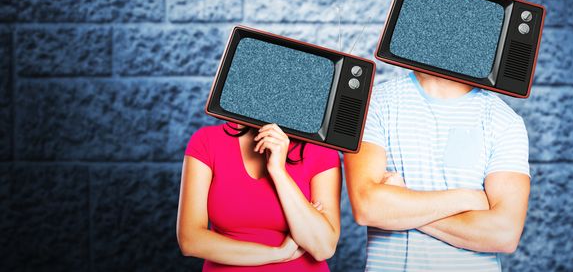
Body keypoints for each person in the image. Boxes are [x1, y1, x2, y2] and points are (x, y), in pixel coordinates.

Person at [344, 70, 531, 271]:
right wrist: (466, 199)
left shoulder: (505, 121)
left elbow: (504, 234)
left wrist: (403, 204)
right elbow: (367, 207)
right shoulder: (373, 104)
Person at [177, 121, 341, 271]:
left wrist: (278, 171)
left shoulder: (320, 150)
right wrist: (277, 254)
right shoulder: (208, 140)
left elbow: (323, 248)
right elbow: (190, 240)